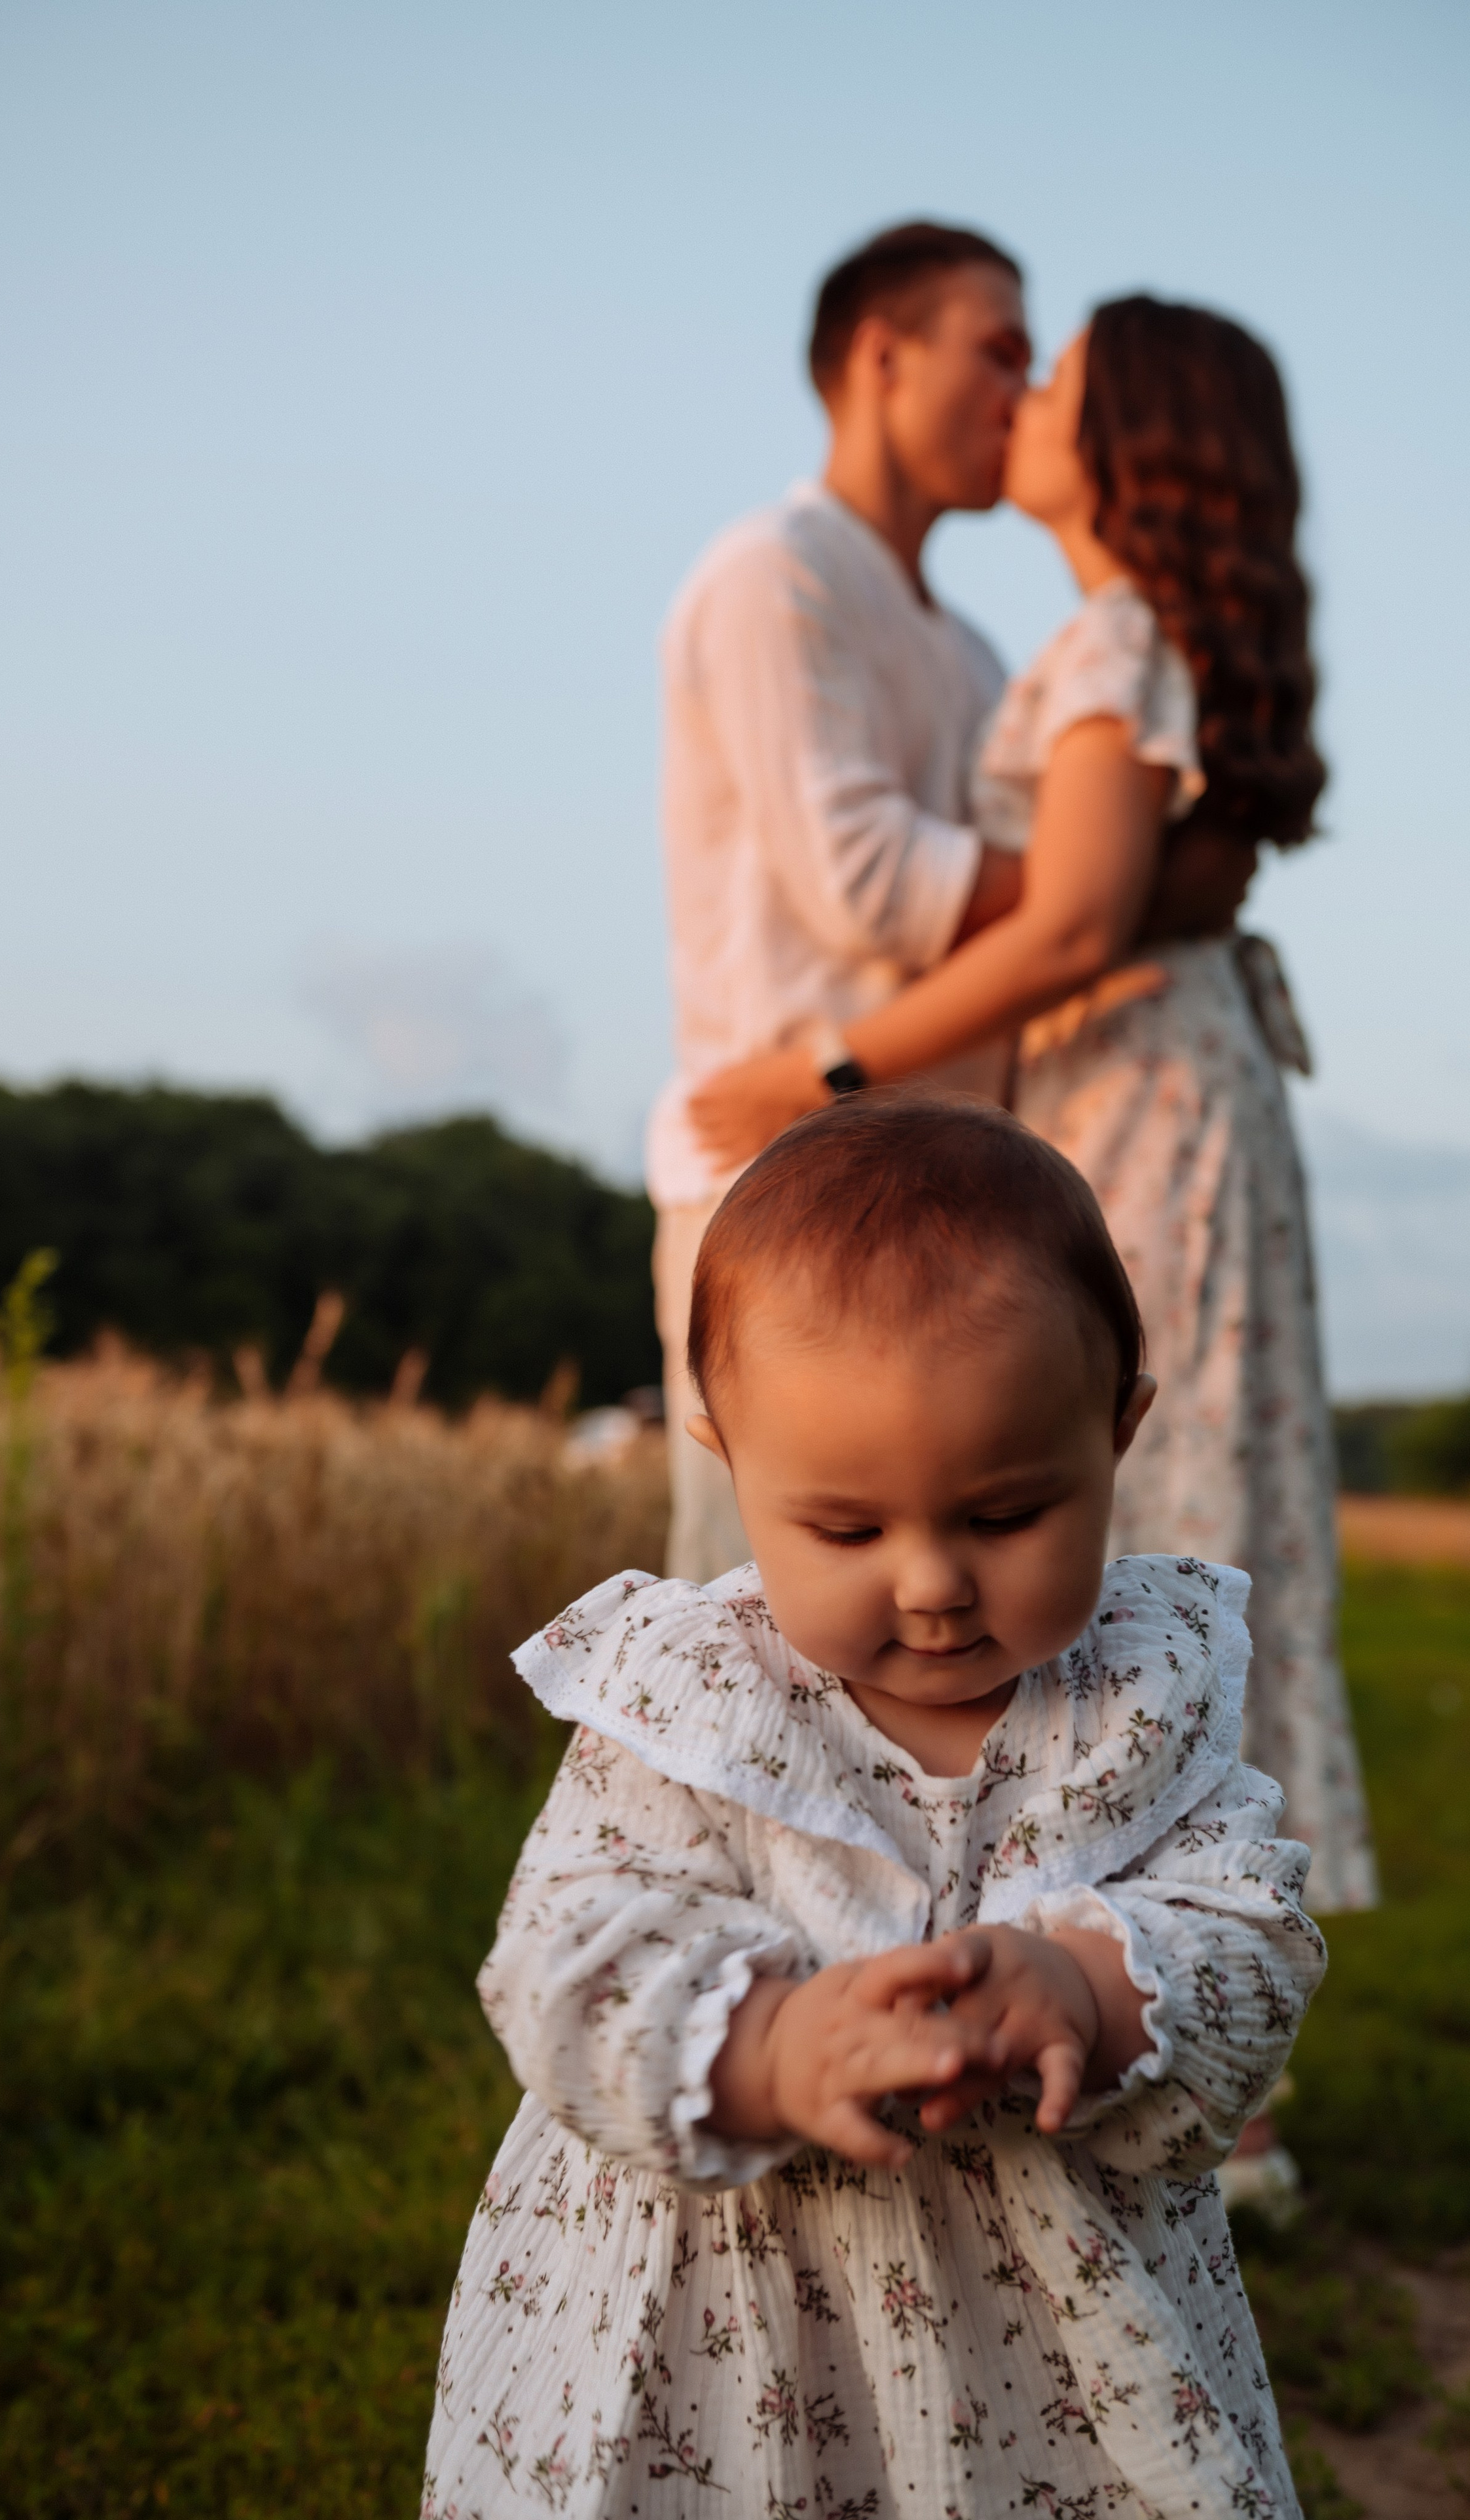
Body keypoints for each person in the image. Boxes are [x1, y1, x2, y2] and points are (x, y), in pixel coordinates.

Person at [423, 1098, 1323, 2520]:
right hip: (720, 2323)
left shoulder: (1141, 1698)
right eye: (844, 1529)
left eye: (1004, 1512)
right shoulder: (689, 1702)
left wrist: (1089, 1988)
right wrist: (770, 2044)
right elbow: (562, 1959)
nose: (929, 1582)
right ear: (729, 1465)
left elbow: (1251, 1933)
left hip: (1049, 2346)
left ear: (1116, 1432)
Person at [690, 297, 1376, 1923]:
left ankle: (1173, 1954)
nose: (1027, 396)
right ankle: (1162, 1940)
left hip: (1137, 1095)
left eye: (1055, 376)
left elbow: (1069, 923)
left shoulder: (1113, 640)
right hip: (1171, 1080)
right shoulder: (1122, 638)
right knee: (1171, 1485)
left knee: (1147, 1509)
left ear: (1127, 437)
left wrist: (830, 1072)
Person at [651, 229, 1254, 1589]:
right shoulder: (777, 571)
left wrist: (1091, 892)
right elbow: (858, 872)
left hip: (946, 1184)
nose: (1019, 389)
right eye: (994, 348)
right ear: (880, 356)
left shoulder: (974, 647)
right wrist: (1095, 891)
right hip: (782, 1157)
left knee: (942, 1644)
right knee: (758, 1619)